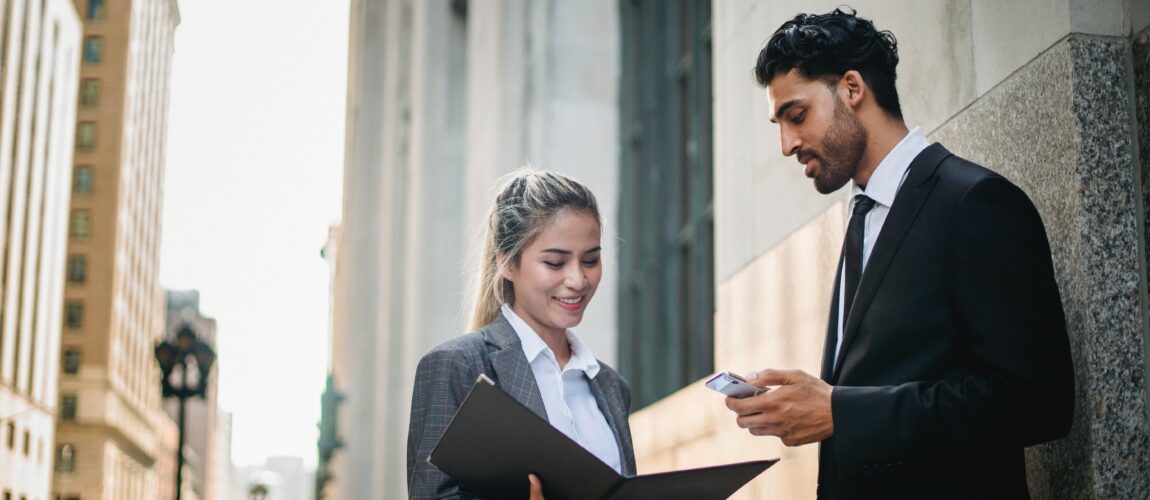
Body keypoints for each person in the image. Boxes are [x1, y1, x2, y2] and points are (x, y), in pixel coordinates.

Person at [723, 8, 1074, 499]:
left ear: (851, 88)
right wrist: (819, 407)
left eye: (796, 115)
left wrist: (841, 411)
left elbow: (1038, 401)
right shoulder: (861, 218)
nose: (786, 145)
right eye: (778, 123)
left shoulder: (975, 203)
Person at [406, 169, 636, 499]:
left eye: (590, 260)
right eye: (555, 262)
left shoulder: (611, 387)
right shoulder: (458, 367)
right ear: (507, 263)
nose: (578, 279)